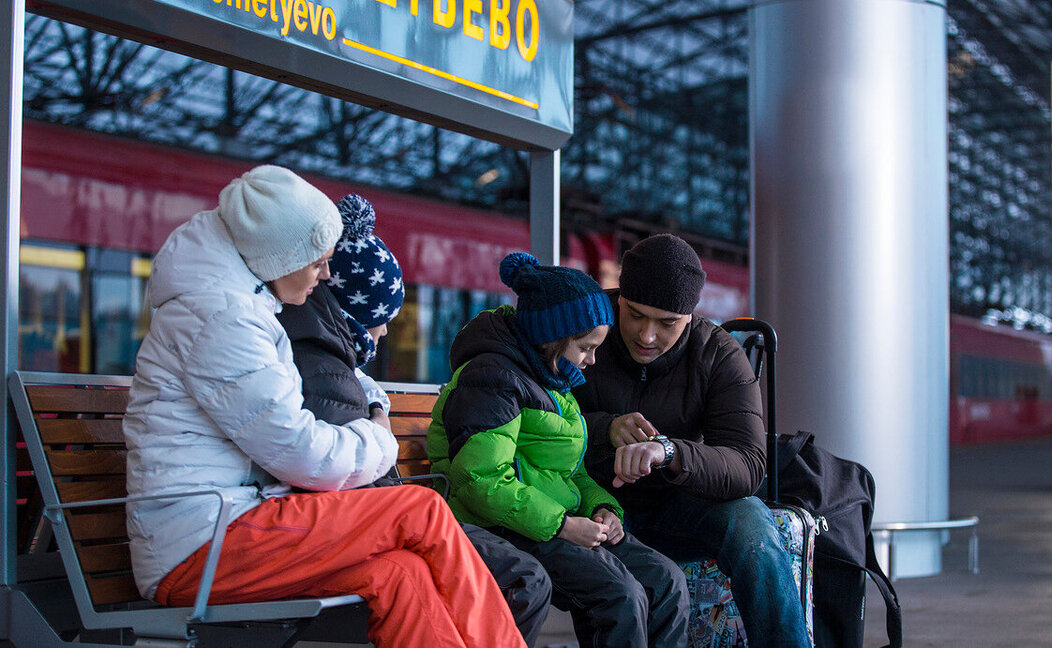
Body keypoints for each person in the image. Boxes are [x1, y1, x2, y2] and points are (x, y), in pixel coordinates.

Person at [123, 165, 524, 648]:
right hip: (203, 548)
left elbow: (321, 403)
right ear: (279, 256)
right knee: (419, 509)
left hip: (223, 530)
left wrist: (373, 408)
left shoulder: (236, 308)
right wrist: (380, 437)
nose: (327, 274)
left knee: (399, 573)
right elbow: (303, 454)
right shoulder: (223, 318)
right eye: (318, 262)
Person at [277, 192, 552, 646]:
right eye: (379, 318)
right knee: (522, 577)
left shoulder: (344, 376)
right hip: (371, 526)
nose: (386, 331)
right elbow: (354, 486)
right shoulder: (325, 372)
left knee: (518, 575)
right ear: (348, 314)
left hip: (376, 522)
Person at [428, 252, 689, 648]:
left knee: (665, 580)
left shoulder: (552, 380)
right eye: (586, 348)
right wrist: (565, 526)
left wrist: (602, 508)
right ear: (551, 337)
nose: (592, 360)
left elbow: (570, 473)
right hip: (503, 525)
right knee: (621, 595)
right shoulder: (492, 379)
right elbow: (480, 482)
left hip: (549, 518)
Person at [574, 233, 813, 648]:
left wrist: (670, 452)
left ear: (691, 315)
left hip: (679, 505)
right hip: (594, 501)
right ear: (619, 300)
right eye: (634, 315)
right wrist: (605, 429)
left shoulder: (718, 353)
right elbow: (540, 418)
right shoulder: (585, 328)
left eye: (667, 323)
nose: (647, 336)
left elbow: (748, 465)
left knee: (752, 521)